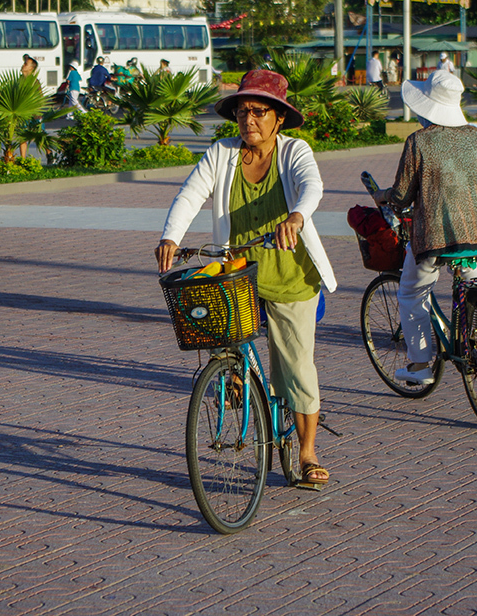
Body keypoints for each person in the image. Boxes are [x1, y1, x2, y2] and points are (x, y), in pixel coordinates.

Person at [155, 70, 338, 486]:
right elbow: (190, 193)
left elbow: (312, 186)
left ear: (278, 118)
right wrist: (170, 236)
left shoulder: (294, 152)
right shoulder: (223, 153)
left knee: (296, 368)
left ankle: (307, 453)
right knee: (217, 323)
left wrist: (296, 216)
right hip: (239, 276)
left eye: (259, 112)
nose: (249, 120)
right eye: (242, 112)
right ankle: (235, 374)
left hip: (292, 279)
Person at [371, 70, 477, 385]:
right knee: (475, 284)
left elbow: (402, 195)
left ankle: (420, 365)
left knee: (411, 293)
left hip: (433, 236)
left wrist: (383, 197)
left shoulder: (419, 141)